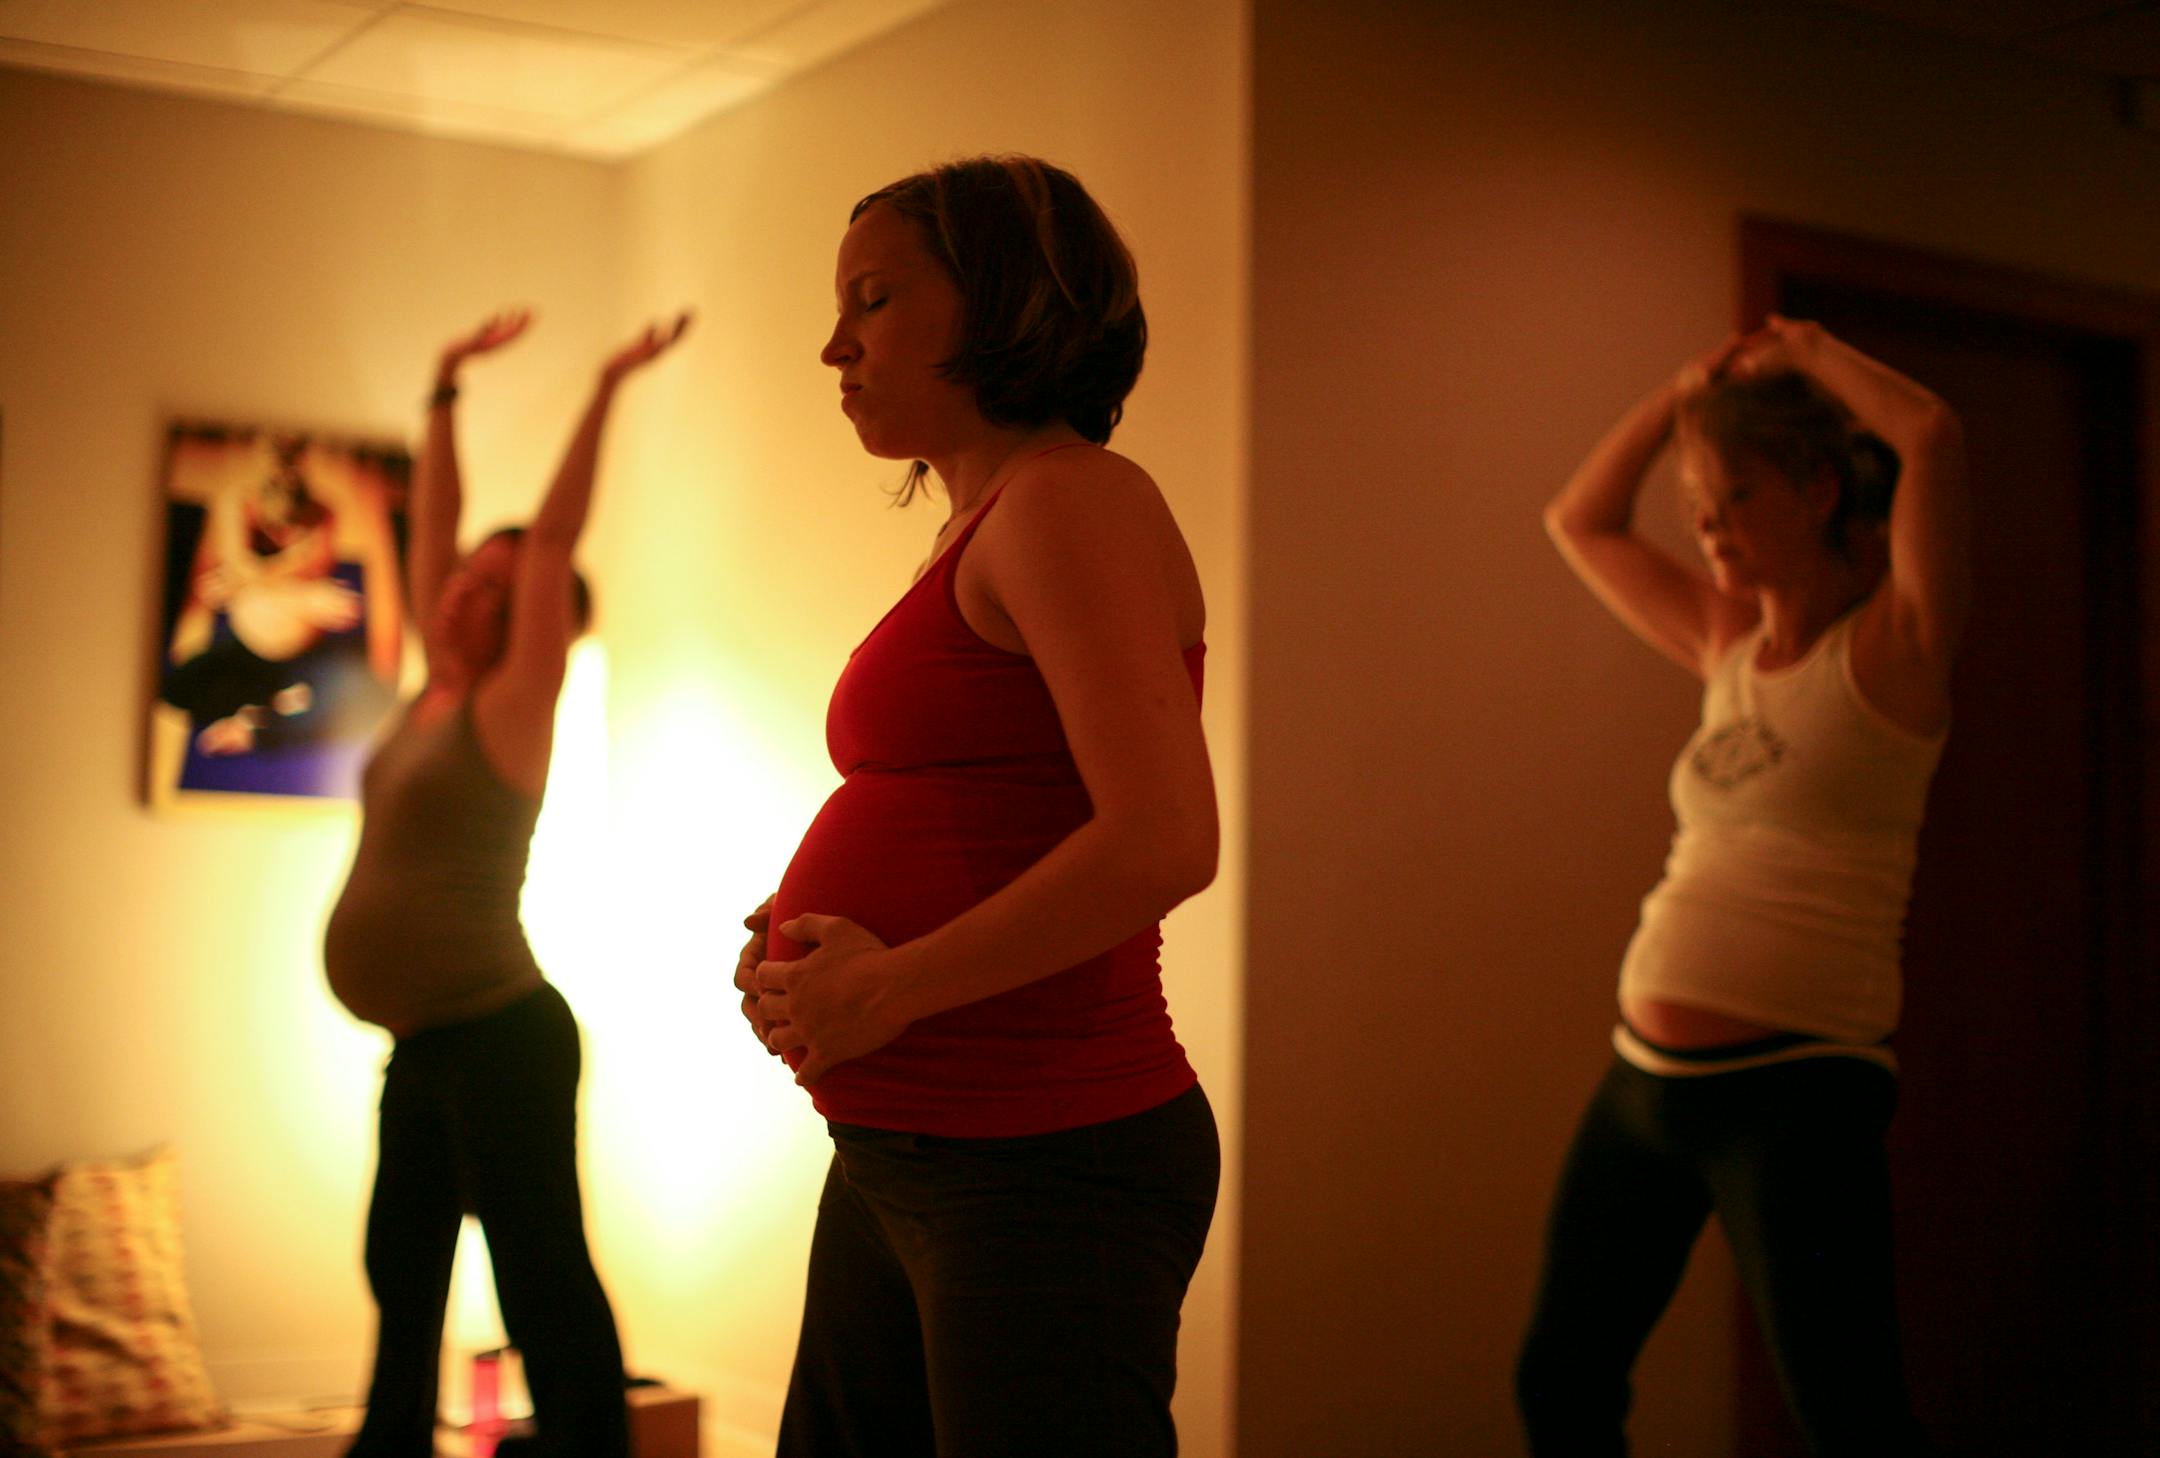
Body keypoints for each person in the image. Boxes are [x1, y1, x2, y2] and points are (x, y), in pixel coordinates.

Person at [731, 155, 1221, 1458]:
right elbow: (994, 800)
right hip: (912, 1144)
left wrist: (884, 986)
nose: (835, 345)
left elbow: (1167, 837)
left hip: (1048, 1159)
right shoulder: (989, 519)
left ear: (1004, 300)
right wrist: (800, 932)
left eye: (875, 299)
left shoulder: (1070, 500)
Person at [1516, 316, 1970, 1456]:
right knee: (1560, 1384)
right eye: (1697, 506)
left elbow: (1932, 434)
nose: (1708, 525)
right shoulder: (1724, 642)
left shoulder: (1896, 653)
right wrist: (1685, 397)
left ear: (1818, 488)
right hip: (1643, 1088)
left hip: (1799, 1095)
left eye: (1736, 496)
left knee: (1850, 1419)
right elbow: (1579, 521)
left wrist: (1806, 353)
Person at [324, 306, 689, 1458]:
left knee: (542, 1289)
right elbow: (433, 519)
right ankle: (388, 1445)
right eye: (465, 576)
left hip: (502, 1038)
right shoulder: (433, 693)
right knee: (400, 1272)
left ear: (540, 621)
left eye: (495, 582)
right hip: (428, 1043)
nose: (463, 586)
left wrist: (602, 388)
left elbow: (548, 544)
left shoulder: (512, 710)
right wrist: (439, 384)